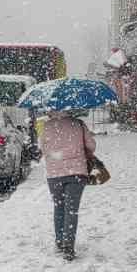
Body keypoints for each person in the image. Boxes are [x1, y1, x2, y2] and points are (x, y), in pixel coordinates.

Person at [41, 110, 96, 260]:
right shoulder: (78, 124)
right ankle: (68, 246)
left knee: (59, 207)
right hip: (76, 173)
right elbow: (91, 146)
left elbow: (43, 149)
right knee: (71, 210)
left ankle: (60, 241)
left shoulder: (47, 126)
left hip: (54, 174)